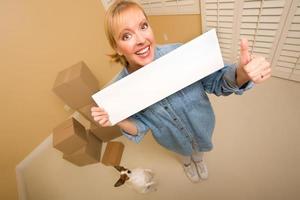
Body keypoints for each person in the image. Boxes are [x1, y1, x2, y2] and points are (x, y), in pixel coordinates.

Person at [91, 0, 271, 183]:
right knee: (184, 153)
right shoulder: (121, 90)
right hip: (172, 139)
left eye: (143, 26)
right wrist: (116, 118)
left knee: (200, 150)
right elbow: (140, 126)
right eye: (126, 36)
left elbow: (217, 82)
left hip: (201, 126)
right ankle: (186, 163)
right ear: (116, 47)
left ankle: (199, 160)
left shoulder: (180, 53)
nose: (141, 40)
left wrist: (241, 73)